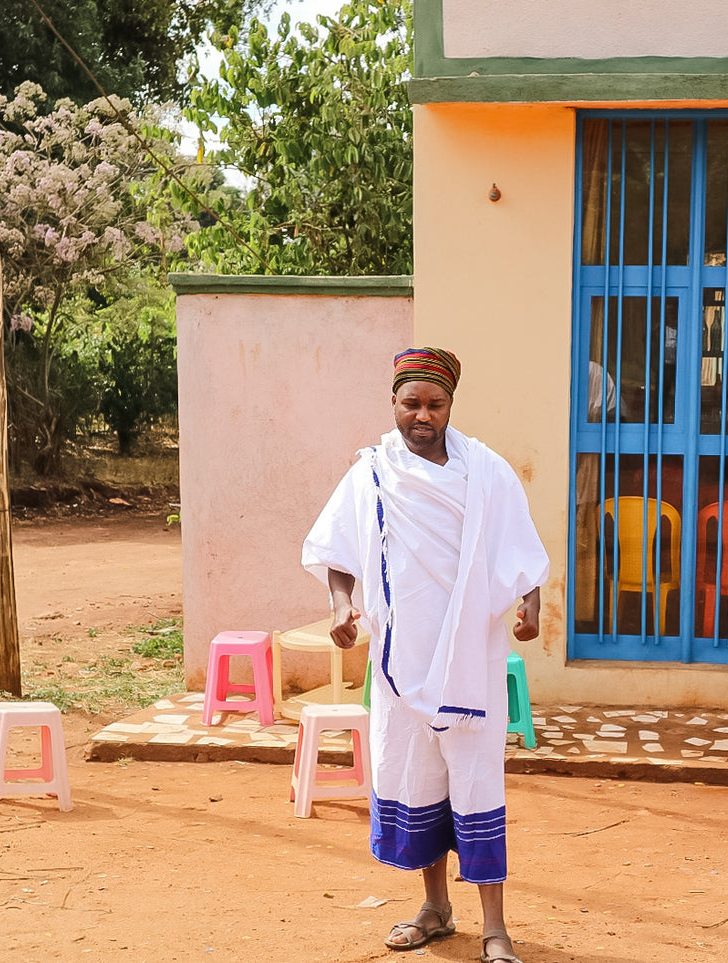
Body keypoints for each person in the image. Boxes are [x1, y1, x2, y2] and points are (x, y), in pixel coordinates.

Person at [302, 346, 549, 963]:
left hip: (471, 658)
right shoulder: (371, 474)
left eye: (434, 404)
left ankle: (495, 928)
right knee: (417, 778)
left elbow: (522, 546)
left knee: (475, 779)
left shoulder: (487, 471)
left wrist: (531, 607)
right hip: (400, 660)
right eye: (411, 403)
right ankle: (435, 908)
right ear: (393, 403)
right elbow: (336, 551)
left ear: (449, 406)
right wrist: (341, 607)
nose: (422, 415)